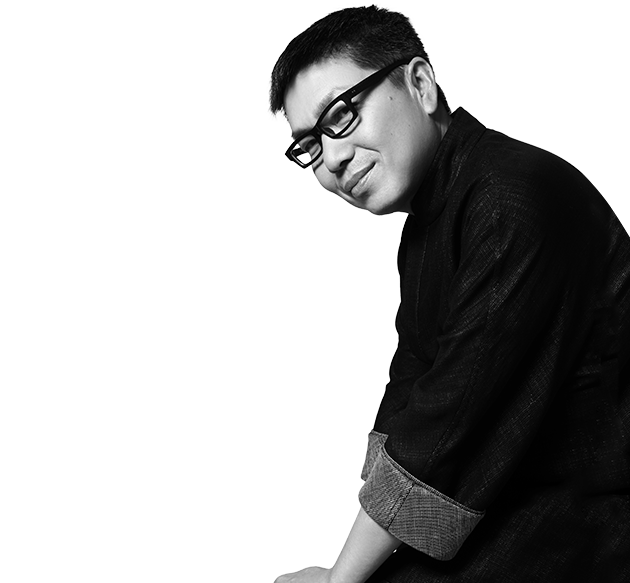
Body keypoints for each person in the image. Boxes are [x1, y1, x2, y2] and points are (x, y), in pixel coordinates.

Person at [267, 4, 630, 583]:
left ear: (420, 84)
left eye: (341, 116)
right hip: (525, 508)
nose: (332, 158)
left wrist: (342, 580)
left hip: (591, 525)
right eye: (308, 145)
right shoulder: (431, 223)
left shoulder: (511, 200)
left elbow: (448, 423)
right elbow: (413, 384)